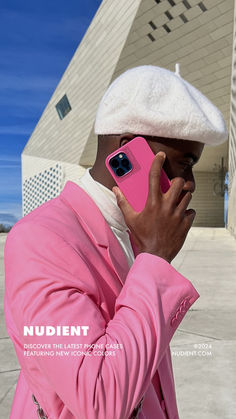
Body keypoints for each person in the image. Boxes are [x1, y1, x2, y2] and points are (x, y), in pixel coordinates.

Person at [4, 65, 228, 419]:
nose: (190, 183)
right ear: (128, 152)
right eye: (184, 162)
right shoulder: (40, 240)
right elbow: (100, 400)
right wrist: (155, 259)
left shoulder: (136, 230)